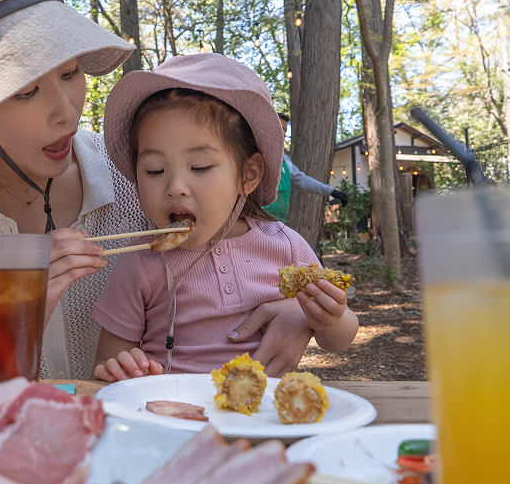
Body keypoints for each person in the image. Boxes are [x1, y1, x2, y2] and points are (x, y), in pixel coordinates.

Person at [0, 0, 310, 379]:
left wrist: (299, 312)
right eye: (26, 91)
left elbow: (225, 255)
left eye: (70, 73)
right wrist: (19, 309)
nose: (67, 111)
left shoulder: (131, 173)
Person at [91, 53, 359, 382]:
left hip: (261, 419)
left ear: (248, 174)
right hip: (172, 418)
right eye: (154, 170)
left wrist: (332, 318)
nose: (175, 187)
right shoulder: (138, 262)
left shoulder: (285, 247)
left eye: (200, 167)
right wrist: (122, 370)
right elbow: (107, 362)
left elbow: (338, 341)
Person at [264, 114, 350, 222]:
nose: (283, 134)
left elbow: (304, 181)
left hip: (279, 224)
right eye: (280, 128)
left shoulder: (285, 160)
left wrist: (331, 191)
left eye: (285, 130)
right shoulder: (256, 156)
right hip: (256, 223)